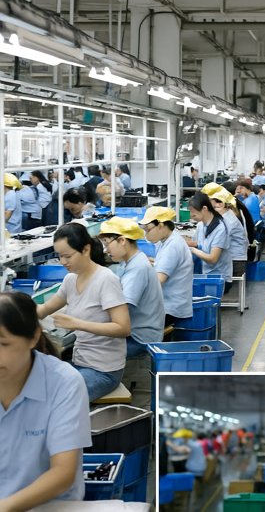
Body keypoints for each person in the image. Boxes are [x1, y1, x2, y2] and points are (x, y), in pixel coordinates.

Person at [0, 292, 92, 509]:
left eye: (3, 344)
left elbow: (62, 472)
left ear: (33, 337)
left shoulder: (64, 383)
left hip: (48, 505)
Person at [37, 223, 131, 401]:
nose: (63, 262)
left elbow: (123, 328)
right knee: (38, 385)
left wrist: (77, 324)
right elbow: (44, 309)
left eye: (67, 256)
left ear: (86, 249)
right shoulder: (70, 280)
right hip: (80, 362)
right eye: (59, 256)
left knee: (55, 398)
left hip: (104, 371)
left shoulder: (106, 280)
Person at [98, 217, 165, 358]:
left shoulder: (137, 268)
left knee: (92, 353)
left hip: (140, 338)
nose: (105, 250)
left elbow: (124, 308)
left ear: (122, 241)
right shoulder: (129, 261)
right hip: (139, 330)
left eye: (107, 243)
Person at [139, 207, 194, 327]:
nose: (145, 234)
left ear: (161, 225)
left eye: (148, 230)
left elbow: (158, 281)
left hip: (171, 308)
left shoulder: (172, 246)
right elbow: (165, 264)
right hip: (171, 302)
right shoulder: (166, 240)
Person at [185, 193, 233, 294]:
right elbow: (204, 244)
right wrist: (188, 244)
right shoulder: (202, 224)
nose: (191, 216)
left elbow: (212, 259)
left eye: (193, 213)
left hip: (218, 278)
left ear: (205, 208)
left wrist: (192, 249)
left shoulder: (221, 228)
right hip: (205, 272)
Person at [209, 189, 248, 278]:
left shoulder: (228, 220)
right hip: (233, 258)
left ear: (221, 204)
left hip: (235, 261)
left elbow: (217, 239)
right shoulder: (226, 215)